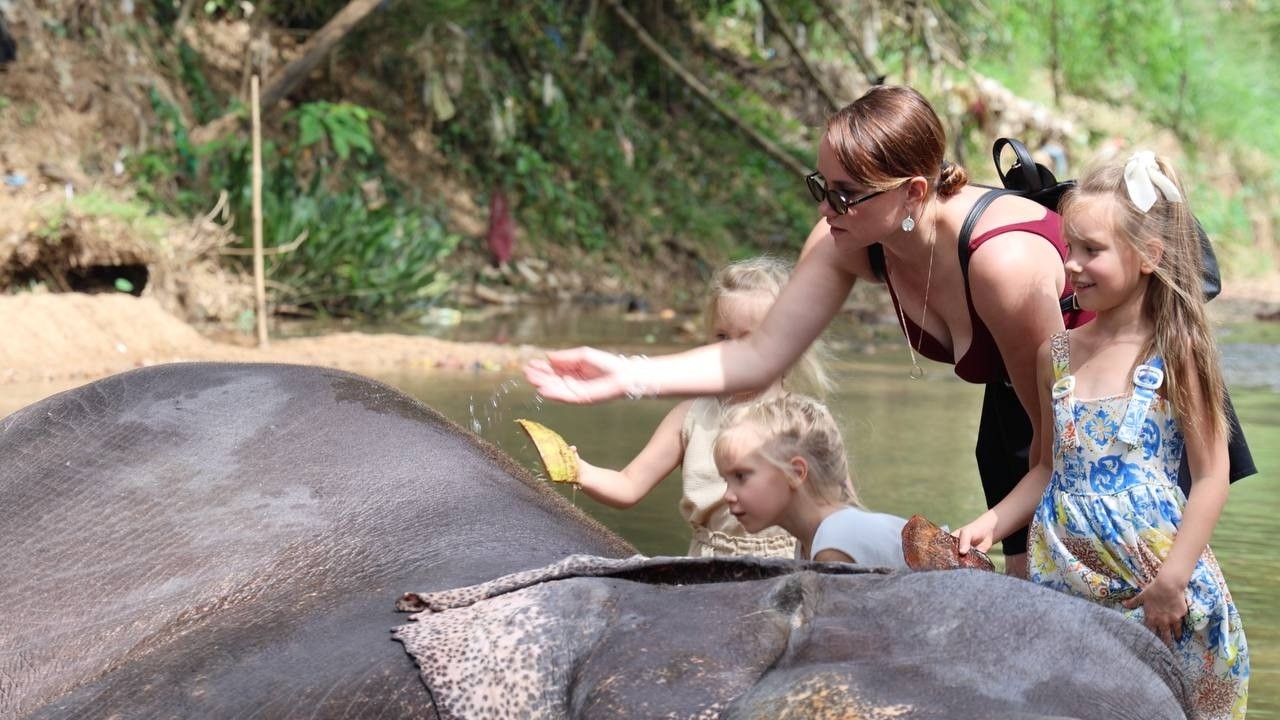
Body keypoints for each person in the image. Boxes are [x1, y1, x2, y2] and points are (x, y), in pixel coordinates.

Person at [955, 151, 1248, 719]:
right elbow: (1045, 468)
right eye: (1069, 247)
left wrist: (1173, 580)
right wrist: (987, 525)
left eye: (1092, 250)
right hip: (1068, 576)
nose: (1071, 265)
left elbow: (1212, 476)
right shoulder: (1054, 355)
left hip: (1160, 584)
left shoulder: (1176, 353)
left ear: (1148, 257)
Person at [570, 256, 829, 558]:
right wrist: (578, 471)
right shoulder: (689, 416)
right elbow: (628, 485)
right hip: (707, 570)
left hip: (785, 569)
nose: (729, 350)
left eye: (750, 340)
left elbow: (837, 511)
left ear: (786, 342)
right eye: (721, 336)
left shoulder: (805, 421)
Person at [713, 392, 909, 568]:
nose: (728, 495)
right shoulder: (812, 539)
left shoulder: (835, 545)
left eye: (741, 476)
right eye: (726, 480)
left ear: (796, 473)